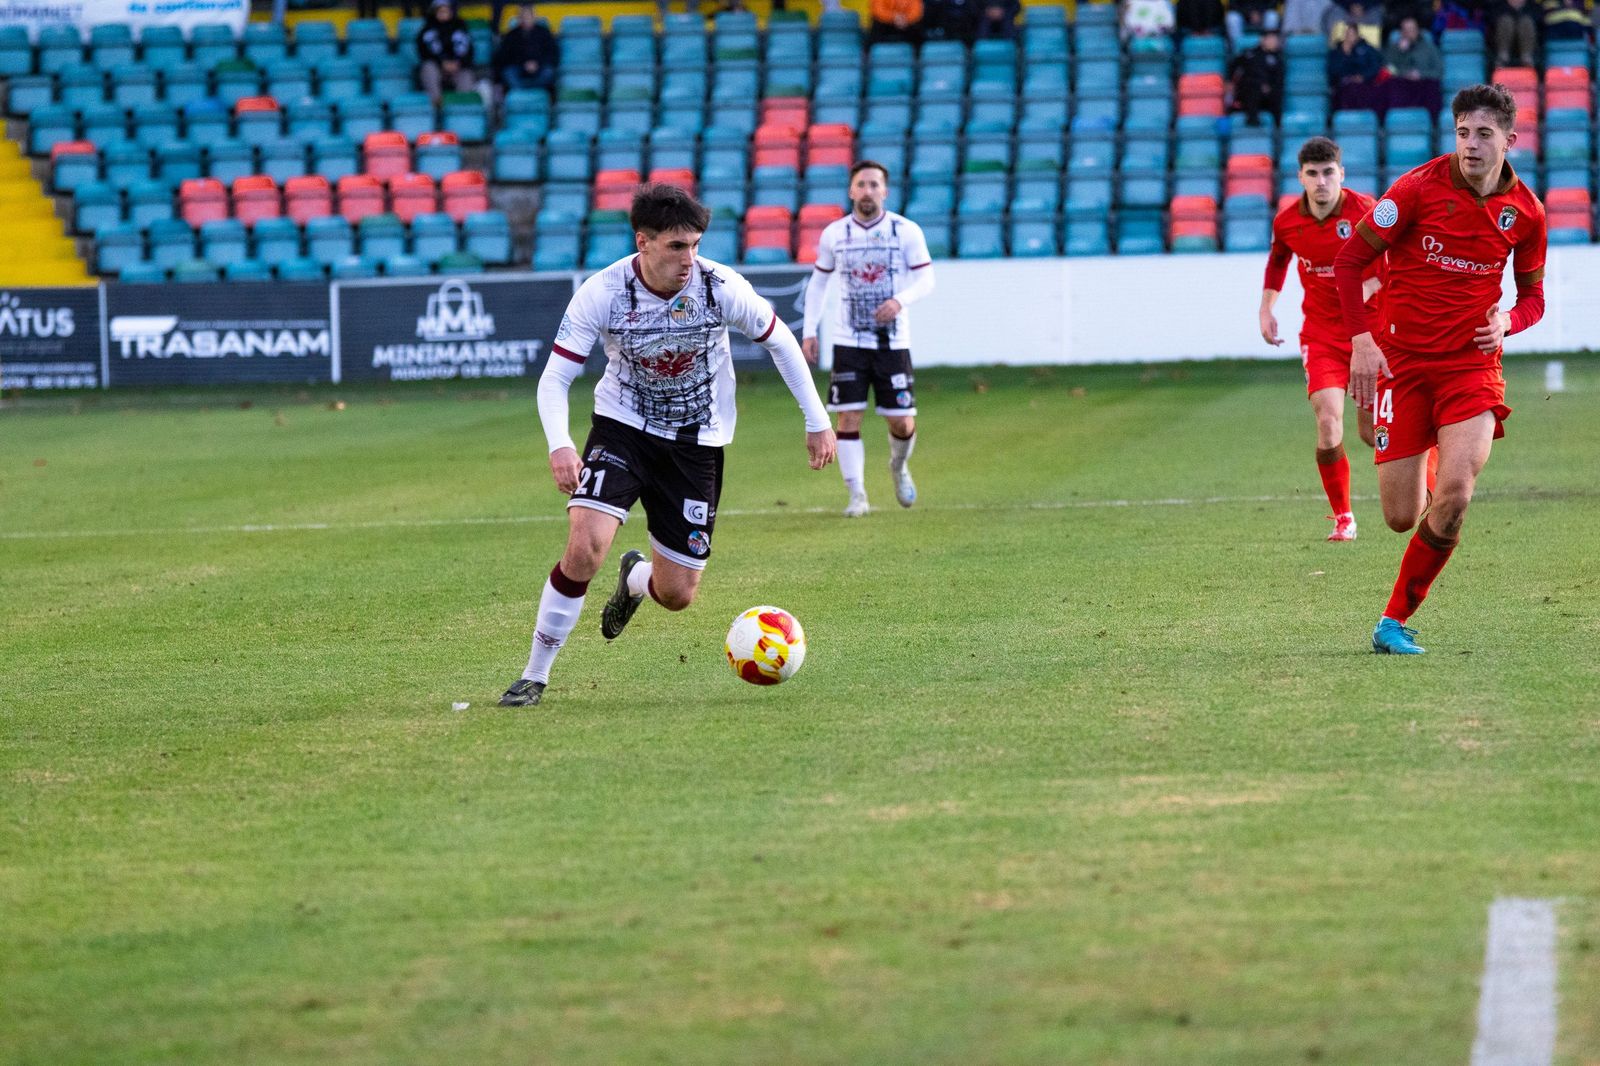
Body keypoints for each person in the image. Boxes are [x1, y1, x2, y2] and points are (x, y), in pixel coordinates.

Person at [498, 185, 837, 707]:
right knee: (585, 545)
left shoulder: (720, 285)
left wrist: (817, 420)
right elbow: (555, 378)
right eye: (677, 247)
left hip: (696, 441)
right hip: (623, 426)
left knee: (677, 594)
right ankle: (534, 675)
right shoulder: (603, 292)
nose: (689, 259)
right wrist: (561, 444)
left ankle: (636, 579)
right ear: (644, 242)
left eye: (695, 245)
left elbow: (780, 341)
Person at [1333, 83, 1547, 654]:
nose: (1470, 145)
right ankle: (1420, 444)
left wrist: (1508, 322)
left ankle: (1393, 621)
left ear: (1509, 139)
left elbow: (1534, 298)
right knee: (1402, 517)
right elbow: (1350, 258)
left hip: (1471, 370)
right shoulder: (1414, 190)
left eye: (1483, 134)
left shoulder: (1525, 213)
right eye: (1462, 133)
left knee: (1455, 495)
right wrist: (1361, 341)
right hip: (1400, 365)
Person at [1260, 136, 1384, 541]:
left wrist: (1363, 290)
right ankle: (1344, 517)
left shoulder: (1366, 211)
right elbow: (1279, 258)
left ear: (1341, 174)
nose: (1321, 182)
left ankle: (1430, 471)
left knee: (1373, 434)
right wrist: (1266, 308)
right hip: (1323, 334)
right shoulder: (1287, 220)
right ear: (1300, 177)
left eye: (1328, 172)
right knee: (1328, 420)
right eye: (1312, 174)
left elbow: (1390, 262)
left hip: (1370, 334)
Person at [800, 161, 936, 519]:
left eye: (875, 184)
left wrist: (899, 300)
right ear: (851, 191)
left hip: (892, 343)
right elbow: (818, 284)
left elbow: (926, 280)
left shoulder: (905, 231)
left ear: (885, 191)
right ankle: (857, 495)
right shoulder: (835, 234)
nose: (868, 190)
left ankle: (898, 465)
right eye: (861, 184)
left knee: (902, 422)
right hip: (849, 342)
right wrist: (810, 329)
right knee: (848, 419)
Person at [416, 0, 475, 105]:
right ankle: (437, 103)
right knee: (428, 68)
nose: (443, 14)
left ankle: (461, 107)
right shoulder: (427, 29)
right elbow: (424, 52)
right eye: (440, 11)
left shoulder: (460, 26)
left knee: (466, 74)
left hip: (457, 66)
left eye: (446, 11)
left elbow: (469, 50)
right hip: (437, 67)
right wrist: (442, 63)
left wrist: (458, 63)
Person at [1382, 15, 1443, 114]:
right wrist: (1400, 54)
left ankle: (1434, 125)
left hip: (1423, 84)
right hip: (1403, 85)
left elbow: (1438, 71)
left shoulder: (1429, 47)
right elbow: (1388, 70)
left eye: (1412, 30)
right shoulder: (1394, 49)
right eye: (1406, 30)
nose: (1409, 33)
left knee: (1433, 86)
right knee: (1390, 85)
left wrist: (1420, 74)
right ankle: (1395, 122)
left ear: (1418, 30)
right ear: (1401, 32)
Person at [493, 4, 560, 94]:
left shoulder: (544, 33)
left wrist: (537, 64)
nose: (525, 19)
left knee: (548, 72)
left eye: (528, 16)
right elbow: (504, 57)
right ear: (518, 18)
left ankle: (536, 93)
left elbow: (552, 54)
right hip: (519, 69)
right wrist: (523, 64)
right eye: (522, 16)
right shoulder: (511, 35)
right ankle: (521, 93)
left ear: (534, 17)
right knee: (508, 73)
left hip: (540, 68)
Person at [1228, 28, 1286, 125]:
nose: (1275, 42)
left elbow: (1279, 79)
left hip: (1268, 96)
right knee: (1251, 86)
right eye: (1271, 39)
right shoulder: (1249, 54)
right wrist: (1229, 81)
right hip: (1248, 93)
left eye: (1276, 40)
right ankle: (1252, 118)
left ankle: (1277, 128)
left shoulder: (1278, 59)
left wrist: (1268, 88)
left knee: (1276, 95)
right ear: (1263, 40)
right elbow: (1233, 65)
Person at [1327, 22, 1385, 112]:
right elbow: (1332, 70)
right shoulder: (1336, 52)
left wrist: (1363, 77)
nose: (1349, 37)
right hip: (1343, 86)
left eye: (1352, 34)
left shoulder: (1368, 50)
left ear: (1357, 35)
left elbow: (1376, 67)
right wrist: (1345, 54)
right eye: (1347, 34)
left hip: (1364, 85)